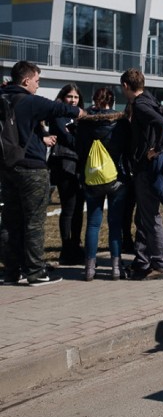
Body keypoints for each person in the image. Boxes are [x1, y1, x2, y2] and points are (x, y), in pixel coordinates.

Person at [1, 61, 85, 286]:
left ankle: (11, 271)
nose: (38, 85)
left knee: (10, 221)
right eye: (37, 81)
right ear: (26, 80)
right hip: (31, 169)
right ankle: (36, 272)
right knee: (34, 222)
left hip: (7, 167)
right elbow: (58, 108)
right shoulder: (28, 101)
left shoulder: (4, 97)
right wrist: (78, 111)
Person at [74, 87, 131, 281]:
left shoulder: (84, 123)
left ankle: (89, 268)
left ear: (94, 100)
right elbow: (126, 149)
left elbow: (79, 150)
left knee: (93, 223)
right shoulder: (120, 123)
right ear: (112, 101)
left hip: (92, 178)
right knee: (115, 224)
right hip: (116, 178)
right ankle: (116, 268)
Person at [121, 68, 163, 281]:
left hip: (146, 167)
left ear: (125, 86)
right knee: (143, 216)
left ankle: (159, 264)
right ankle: (142, 261)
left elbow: (161, 122)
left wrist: (155, 149)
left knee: (150, 216)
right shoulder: (150, 99)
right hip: (146, 167)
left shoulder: (140, 105)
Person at [48, 83, 86, 265]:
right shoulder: (58, 114)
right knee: (69, 208)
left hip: (79, 165)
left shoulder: (81, 115)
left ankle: (76, 245)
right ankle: (67, 248)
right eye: (70, 96)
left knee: (79, 208)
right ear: (63, 98)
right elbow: (70, 139)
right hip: (64, 164)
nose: (73, 100)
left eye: (76, 97)